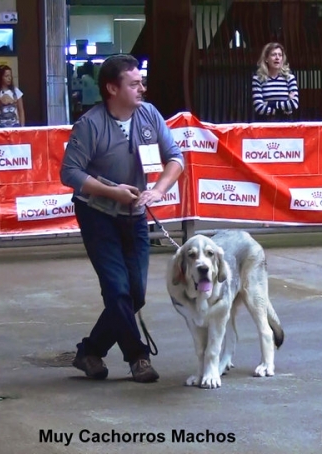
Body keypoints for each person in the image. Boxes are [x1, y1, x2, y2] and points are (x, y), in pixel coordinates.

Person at [60, 54, 184, 383]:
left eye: (141, 82)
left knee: (136, 293)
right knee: (117, 291)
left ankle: (90, 351)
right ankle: (137, 357)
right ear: (112, 88)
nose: (142, 88)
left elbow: (175, 158)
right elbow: (69, 172)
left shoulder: (149, 115)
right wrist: (112, 192)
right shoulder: (89, 125)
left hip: (136, 214)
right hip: (98, 214)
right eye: (134, 83)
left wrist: (157, 191)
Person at [252, 42, 299, 121]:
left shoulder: (289, 78)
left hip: (286, 123)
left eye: (280, 55)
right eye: (273, 55)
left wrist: (270, 104)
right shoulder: (258, 79)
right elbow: (258, 107)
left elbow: (294, 104)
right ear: (266, 59)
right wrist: (284, 108)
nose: (277, 58)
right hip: (265, 123)